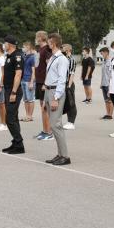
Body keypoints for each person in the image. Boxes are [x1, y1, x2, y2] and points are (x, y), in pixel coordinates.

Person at [44, 33, 71, 165]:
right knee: (53, 125)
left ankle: (65, 156)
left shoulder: (62, 59)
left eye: (49, 42)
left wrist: (55, 98)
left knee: (56, 125)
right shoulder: (53, 57)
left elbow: (61, 80)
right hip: (49, 91)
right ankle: (60, 154)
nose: (47, 44)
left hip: (55, 92)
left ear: (53, 43)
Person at [2, 36, 25, 155]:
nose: (3, 45)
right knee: (14, 118)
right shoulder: (9, 56)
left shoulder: (17, 56)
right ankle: (16, 143)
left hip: (13, 90)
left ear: (10, 44)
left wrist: (14, 92)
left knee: (9, 118)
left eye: (5, 43)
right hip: (7, 89)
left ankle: (19, 143)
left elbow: (18, 74)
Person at [34, 31, 54, 141]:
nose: (35, 39)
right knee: (42, 108)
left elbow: (49, 67)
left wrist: (46, 83)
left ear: (41, 38)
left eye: (36, 37)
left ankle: (49, 132)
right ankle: (44, 130)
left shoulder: (47, 49)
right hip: (38, 81)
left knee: (45, 108)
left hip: (43, 83)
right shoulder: (40, 49)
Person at [20, 42, 36, 123]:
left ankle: (30, 116)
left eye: (24, 47)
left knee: (30, 99)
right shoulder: (24, 56)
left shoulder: (33, 57)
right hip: (23, 79)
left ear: (28, 47)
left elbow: (34, 71)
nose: (23, 48)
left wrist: (31, 82)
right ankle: (27, 115)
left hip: (29, 80)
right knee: (25, 99)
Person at [63, 44, 78, 130]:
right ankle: (68, 121)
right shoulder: (64, 58)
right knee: (66, 103)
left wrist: (69, 85)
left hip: (69, 83)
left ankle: (71, 122)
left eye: (63, 48)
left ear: (68, 49)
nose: (62, 49)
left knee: (71, 103)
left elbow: (72, 73)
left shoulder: (71, 60)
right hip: (63, 83)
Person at [99, 47, 114, 120]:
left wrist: (111, 85)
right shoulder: (103, 61)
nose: (102, 55)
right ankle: (107, 114)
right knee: (106, 100)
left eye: (102, 53)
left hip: (109, 84)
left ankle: (110, 115)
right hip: (104, 83)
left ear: (106, 53)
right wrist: (101, 83)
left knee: (110, 100)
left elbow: (112, 74)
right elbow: (103, 74)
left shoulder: (111, 62)